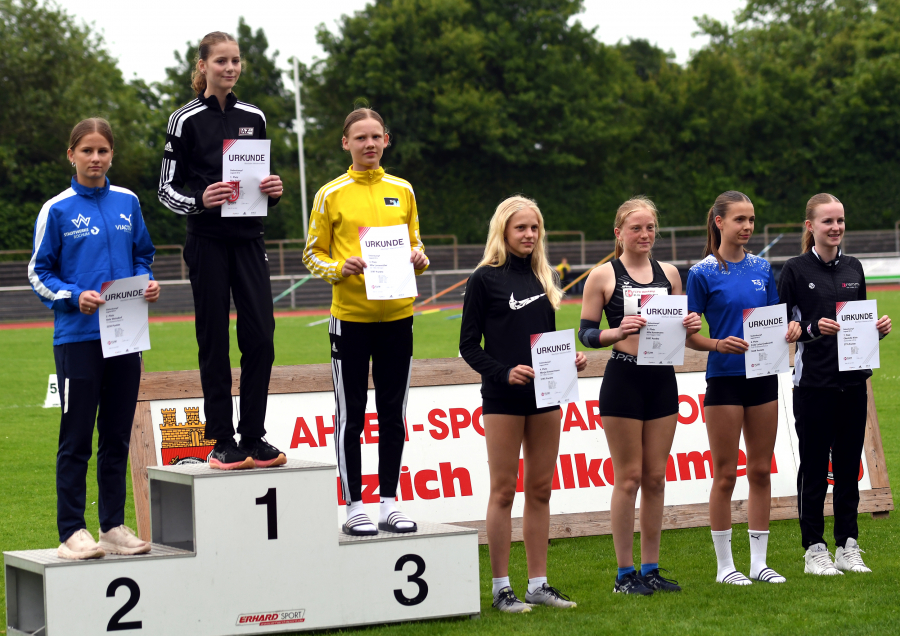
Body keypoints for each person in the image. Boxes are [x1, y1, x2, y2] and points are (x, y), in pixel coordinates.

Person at [29, 118, 159, 559]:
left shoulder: (128, 202)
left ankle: (112, 527)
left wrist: (147, 281)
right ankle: (71, 531)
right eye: (87, 150)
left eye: (103, 151)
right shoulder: (57, 209)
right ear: (72, 155)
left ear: (111, 155)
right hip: (78, 338)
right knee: (76, 437)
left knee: (117, 436)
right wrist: (71, 296)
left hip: (125, 337)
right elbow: (38, 272)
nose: (96, 158)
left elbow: (143, 254)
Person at [158, 31, 286, 470]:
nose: (229, 68)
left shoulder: (255, 116)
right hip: (207, 242)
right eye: (220, 61)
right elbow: (165, 190)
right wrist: (200, 200)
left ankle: (254, 436)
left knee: (261, 338)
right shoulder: (184, 120)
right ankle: (222, 439)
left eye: (235, 61)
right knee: (213, 340)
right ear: (203, 66)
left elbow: (261, 181)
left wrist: (275, 189)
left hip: (250, 239)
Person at [302, 107, 429, 536]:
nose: (369, 144)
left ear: (387, 139)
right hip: (351, 320)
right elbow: (311, 254)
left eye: (376, 137)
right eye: (360, 138)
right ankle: (354, 504)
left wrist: (420, 259)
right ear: (346, 143)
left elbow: (416, 245)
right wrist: (340, 268)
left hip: (398, 316)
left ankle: (389, 502)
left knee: (394, 413)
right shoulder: (330, 194)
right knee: (350, 414)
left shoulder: (404, 190)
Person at [460, 195, 587, 613]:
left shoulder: (544, 277)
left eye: (534, 227)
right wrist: (503, 372)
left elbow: (545, 343)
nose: (529, 234)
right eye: (521, 228)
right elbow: (468, 347)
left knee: (541, 488)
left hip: (547, 399)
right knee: (502, 491)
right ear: (504, 230)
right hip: (502, 398)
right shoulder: (484, 278)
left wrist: (569, 362)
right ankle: (501, 588)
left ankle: (538, 584)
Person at [578, 196, 701, 595]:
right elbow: (586, 333)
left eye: (650, 228)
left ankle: (651, 568)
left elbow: (684, 333)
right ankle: (623, 574)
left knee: (655, 478)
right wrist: (618, 331)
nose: (644, 234)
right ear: (619, 233)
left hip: (662, 379)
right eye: (636, 228)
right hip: (624, 380)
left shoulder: (669, 274)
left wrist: (691, 323)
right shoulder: (602, 276)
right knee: (628, 477)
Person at [686, 191, 800, 585]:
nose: (748, 227)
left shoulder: (763, 267)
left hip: (764, 379)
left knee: (760, 470)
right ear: (719, 222)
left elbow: (774, 319)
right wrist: (717, 343)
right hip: (724, 381)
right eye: (739, 220)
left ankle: (758, 562)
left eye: (751, 219)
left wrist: (790, 328)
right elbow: (689, 336)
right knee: (724, 475)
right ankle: (724, 567)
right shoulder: (701, 272)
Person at [778, 193, 891, 575]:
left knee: (846, 468)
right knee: (813, 468)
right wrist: (811, 329)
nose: (836, 227)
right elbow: (780, 330)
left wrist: (876, 332)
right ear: (810, 226)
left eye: (840, 220)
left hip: (853, 385)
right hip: (813, 385)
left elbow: (857, 327)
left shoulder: (854, 268)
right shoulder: (793, 271)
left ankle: (848, 545)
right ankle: (814, 549)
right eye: (828, 221)